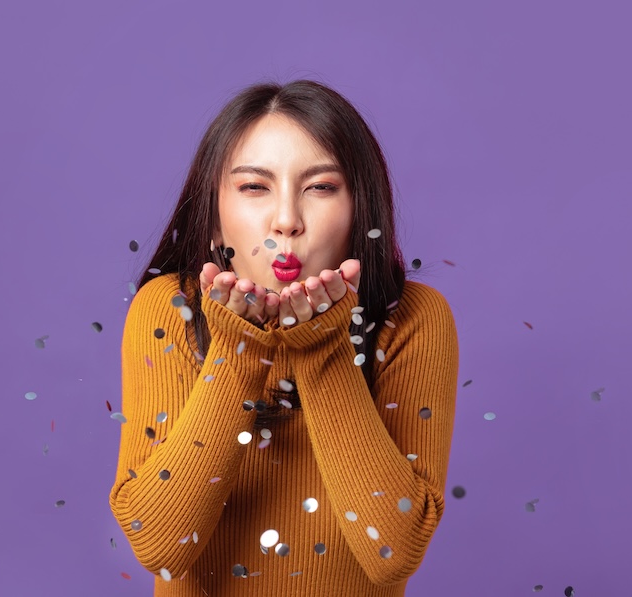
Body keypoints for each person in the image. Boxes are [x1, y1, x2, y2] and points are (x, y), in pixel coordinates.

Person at [109, 79, 459, 596]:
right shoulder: (171, 309)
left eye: (320, 187)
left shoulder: (412, 319)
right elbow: (161, 546)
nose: (287, 221)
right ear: (215, 218)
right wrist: (238, 346)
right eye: (254, 187)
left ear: (360, 213)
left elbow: (393, 552)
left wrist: (321, 349)